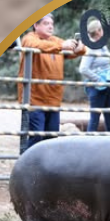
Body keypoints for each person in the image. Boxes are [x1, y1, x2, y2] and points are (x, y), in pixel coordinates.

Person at [17, 14, 87, 150]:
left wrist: (79, 48)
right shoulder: (29, 38)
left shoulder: (55, 41)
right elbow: (37, 45)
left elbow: (78, 50)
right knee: (35, 137)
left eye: (52, 23)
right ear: (35, 26)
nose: (50, 26)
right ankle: (27, 167)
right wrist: (62, 45)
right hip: (34, 99)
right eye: (46, 23)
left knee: (51, 138)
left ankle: (45, 170)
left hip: (53, 100)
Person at [78, 18, 110, 133]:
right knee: (95, 118)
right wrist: (98, 79)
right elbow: (83, 69)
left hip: (108, 86)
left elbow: (106, 64)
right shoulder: (91, 48)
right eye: (102, 29)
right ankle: (89, 144)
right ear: (98, 31)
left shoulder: (103, 46)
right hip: (97, 88)